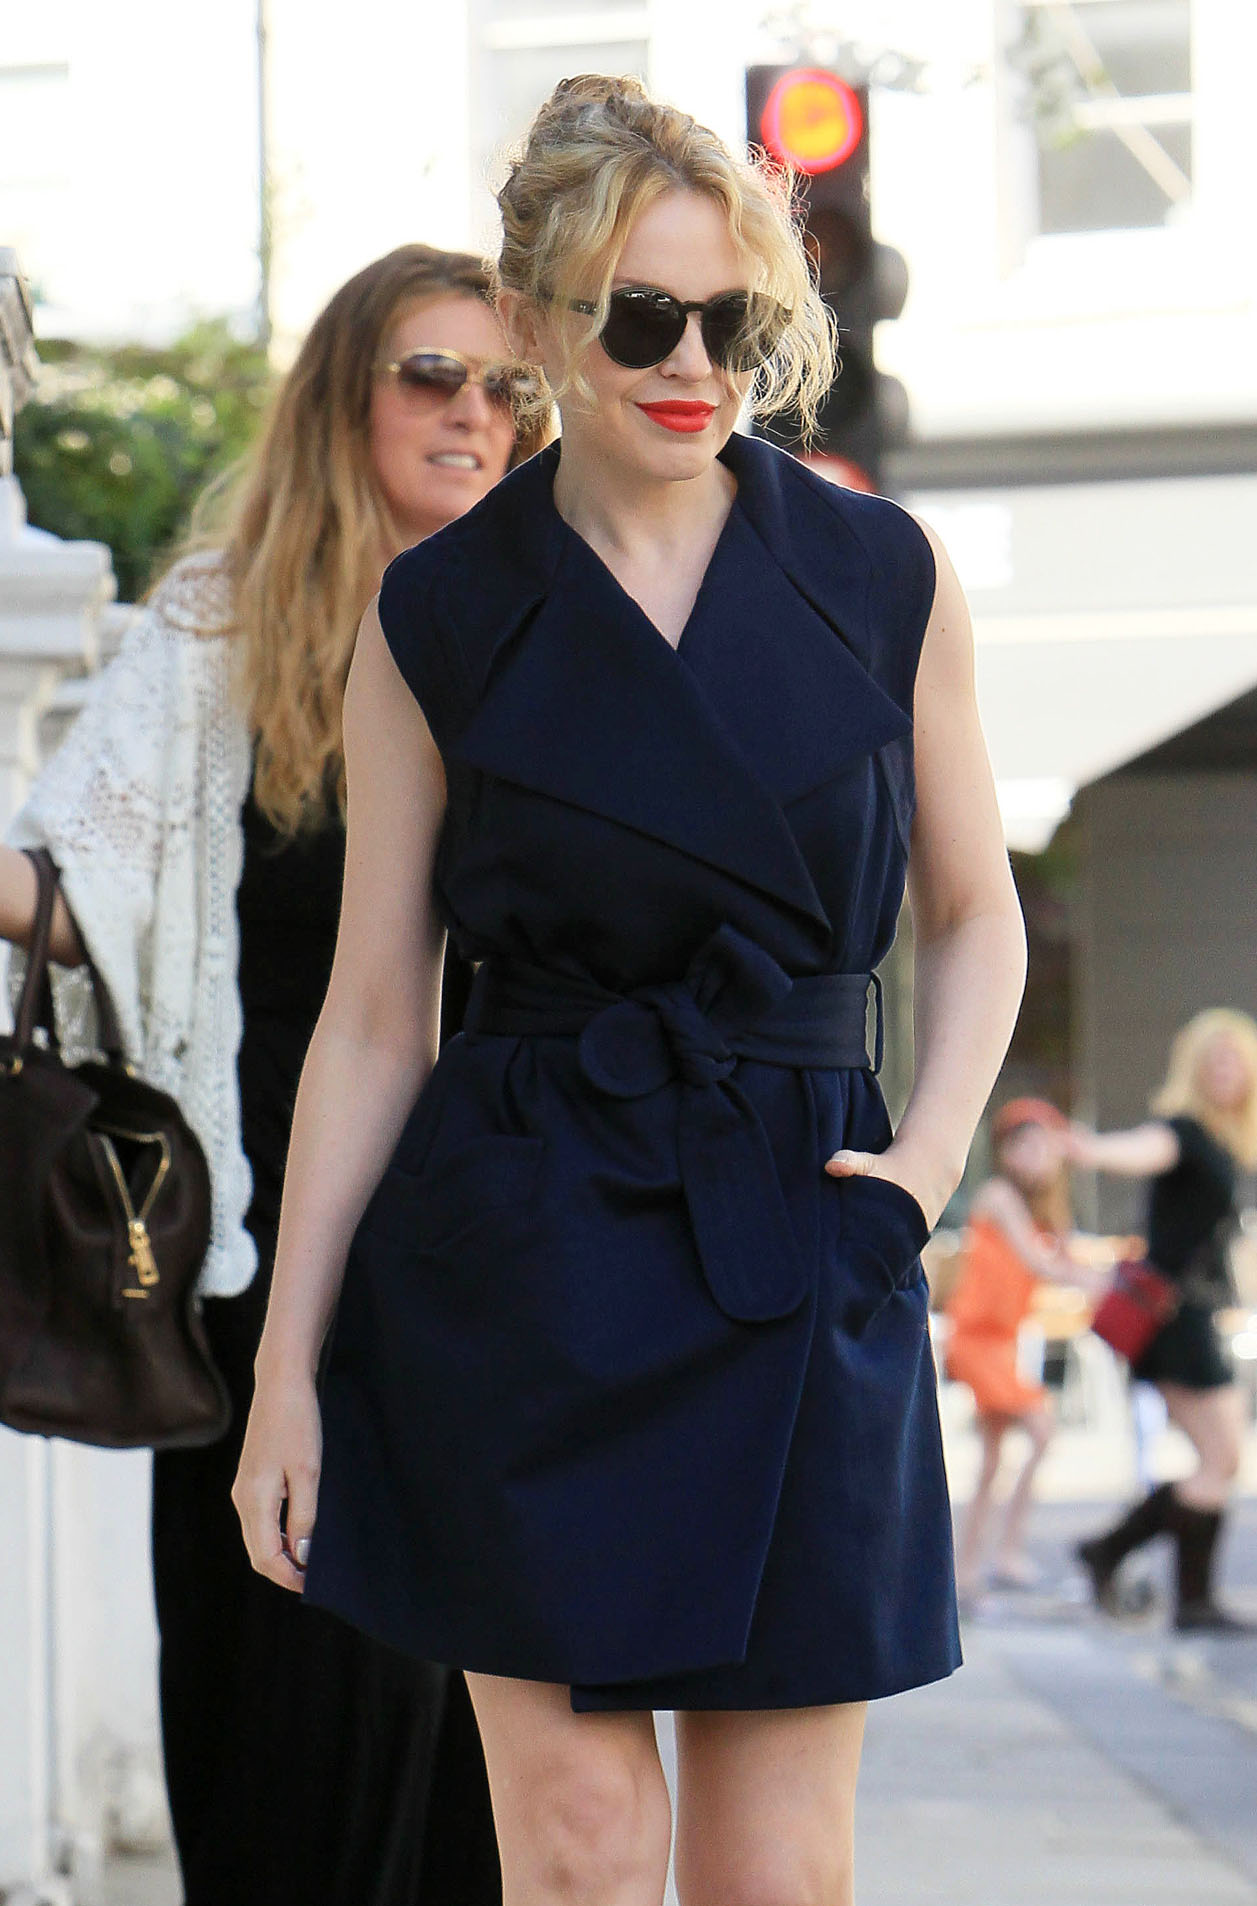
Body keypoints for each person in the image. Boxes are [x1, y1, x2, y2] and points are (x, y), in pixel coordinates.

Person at [233, 76, 1028, 1906]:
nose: (692, 365)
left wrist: (918, 1176)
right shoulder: (439, 614)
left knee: (775, 1875)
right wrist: (288, 1367)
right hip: (526, 1248)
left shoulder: (879, 573)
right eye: (641, 317)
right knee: (581, 1855)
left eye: (732, 323)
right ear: (534, 326)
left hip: (802, 1224)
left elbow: (977, 914)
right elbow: (375, 1015)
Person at [1, 243, 550, 1904]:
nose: (473, 412)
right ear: (343, 399)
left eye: (508, 386)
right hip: (265, 1250)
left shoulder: (555, 627)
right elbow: (81, 886)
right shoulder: (220, 628)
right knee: (289, 1708)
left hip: (497, 1244)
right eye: (431, 375)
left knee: (471, 1733)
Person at [1071, 1009, 1257, 1634]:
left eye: (1236, 1060)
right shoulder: (1184, 1131)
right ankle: (1158, 1580)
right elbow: (1144, 1149)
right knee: (1220, 1459)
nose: (1226, 1071)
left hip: (1195, 1313)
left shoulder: (1226, 1141)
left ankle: (1135, 1566)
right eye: (1215, 1060)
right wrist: (1087, 1148)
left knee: (1220, 1461)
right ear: (1194, 1068)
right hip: (1175, 1319)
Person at [945, 1097, 1093, 1603]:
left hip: (1003, 1342)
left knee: (992, 1460)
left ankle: (968, 1569)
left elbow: (1063, 1253)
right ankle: (1004, 1553)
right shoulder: (999, 1196)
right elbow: (1042, 1263)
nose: (1033, 1155)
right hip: (977, 1338)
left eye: (1042, 1146)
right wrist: (1105, 1283)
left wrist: (1059, 1182)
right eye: (1023, 1145)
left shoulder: (1041, 1206)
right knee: (1040, 1428)